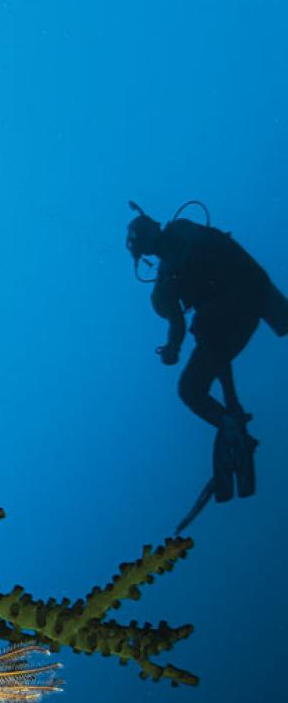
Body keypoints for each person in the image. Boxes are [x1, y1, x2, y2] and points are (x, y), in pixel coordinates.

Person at [126, 203, 288, 508]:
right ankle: (232, 425)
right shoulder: (169, 269)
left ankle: (232, 413)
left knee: (206, 327)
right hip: (236, 318)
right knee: (189, 389)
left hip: (237, 309)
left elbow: (227, 261)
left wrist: (173, 341)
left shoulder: (185, 235)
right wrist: (171, 349)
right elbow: (176, 323)